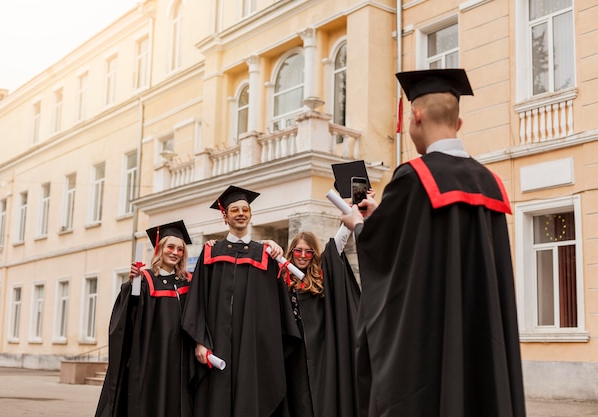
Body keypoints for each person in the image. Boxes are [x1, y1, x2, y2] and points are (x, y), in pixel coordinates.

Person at [340, 69, 526, 417]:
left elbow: (391, 258)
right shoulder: (489, 182)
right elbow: (422, 236)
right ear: (459, 123)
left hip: (433, 342)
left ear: (416, 115)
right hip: (481, 337)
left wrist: (360, 226)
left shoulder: (414, 177)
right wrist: (383, 213)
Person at [181, 185, 301, 417]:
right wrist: (200, 341)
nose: (241, 213)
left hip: (252, 345)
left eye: (245, 209)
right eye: (234, 209)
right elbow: (198, 301)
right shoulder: (211, 253)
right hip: (217, 343)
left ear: (251, 214)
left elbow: (276, 307)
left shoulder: (265, 254)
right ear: (224, 216)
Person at [95, 220, 195, 417]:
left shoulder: (189, 282)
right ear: (160, 249)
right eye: (170, 247)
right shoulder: (145, 280)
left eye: (180, 249)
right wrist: (133, 287)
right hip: (152, 355)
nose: (175, 252)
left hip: (181, 356)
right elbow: (130, 316)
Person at [281, 226, 360, 417]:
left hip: (321, 350)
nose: (302, 256)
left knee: (322, 397)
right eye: (298, 251)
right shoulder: (280, 279)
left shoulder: (320, 276)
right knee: (297, 400)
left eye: (308, 252)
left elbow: (338, 245)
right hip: (292, 352)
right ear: (291, 252)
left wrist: (351, 213)